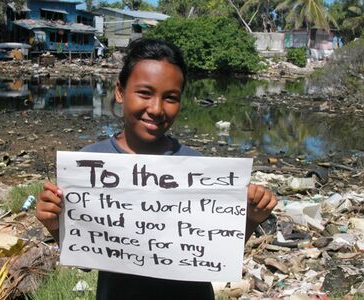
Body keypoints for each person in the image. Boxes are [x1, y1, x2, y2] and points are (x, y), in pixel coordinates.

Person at [36, 38, 278, 300]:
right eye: (144, 93)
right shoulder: (90, 163)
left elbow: (214, 250)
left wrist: (251, 217)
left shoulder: (197, 169)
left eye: (170, 98)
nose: (156, 109)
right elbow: (84, 259)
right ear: (120, 91)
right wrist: (54, 224)